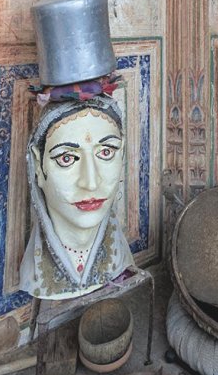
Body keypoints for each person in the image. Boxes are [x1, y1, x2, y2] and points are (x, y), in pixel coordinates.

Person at [19, 96, 134, 299]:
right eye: (67, 158)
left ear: (122, 154)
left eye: (106, 152)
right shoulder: (34, 274)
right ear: (38, 165)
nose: (91, 183)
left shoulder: (118, 258)